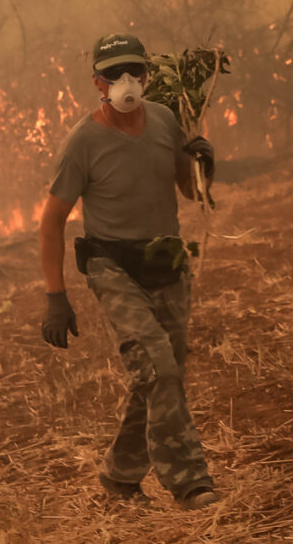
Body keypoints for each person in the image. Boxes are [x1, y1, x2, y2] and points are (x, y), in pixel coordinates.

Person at [38, 33, 219, 511]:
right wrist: (56, 296)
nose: (125, 83)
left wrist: (200, 162)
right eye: (112, 74)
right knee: (158, 366)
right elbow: (52, 220)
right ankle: (191, 482)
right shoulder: (82, 142)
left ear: (148, 76)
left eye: (134, 72)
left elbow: (186, 188)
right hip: (112, 266)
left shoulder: (164, 120)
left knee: (162, 375)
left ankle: (120, 475)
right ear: (97, 82)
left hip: (168, 261)